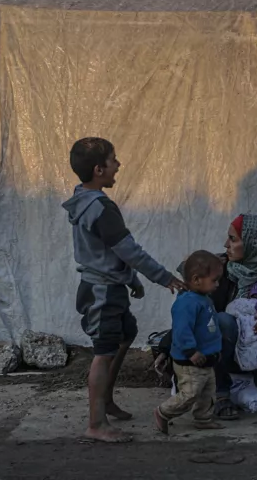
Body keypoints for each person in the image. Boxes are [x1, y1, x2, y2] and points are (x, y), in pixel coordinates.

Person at [62, 137, 184, 443]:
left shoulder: (83, 199)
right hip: (102, 293)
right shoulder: (100, 207)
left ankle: (106, 400)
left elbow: (109, 253)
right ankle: (95, 423)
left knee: (126, 333)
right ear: (99, 168)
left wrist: (131, 280)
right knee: (103, 353)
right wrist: (165, 277)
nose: (119, 165)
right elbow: (129, 250)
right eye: (114, 160)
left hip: (106, 287)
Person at [156, 214, 257, 419]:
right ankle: (222, 395)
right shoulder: (219, 270)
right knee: (222, 320)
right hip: (228, 353)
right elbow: (191, 309)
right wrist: (166, 346)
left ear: (254, 243)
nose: (226, 245)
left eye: (233, 239)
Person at [154, 251, 225, 435]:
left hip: (206, 358)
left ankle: (203, 419)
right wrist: (191, 351)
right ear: (196, 279)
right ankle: (164, 412)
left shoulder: (203, 298)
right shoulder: (187, 303)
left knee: (207, 391)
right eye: (214, 280)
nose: (217, 284)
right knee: (191, 393)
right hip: (191, 360)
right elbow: (181, 331)